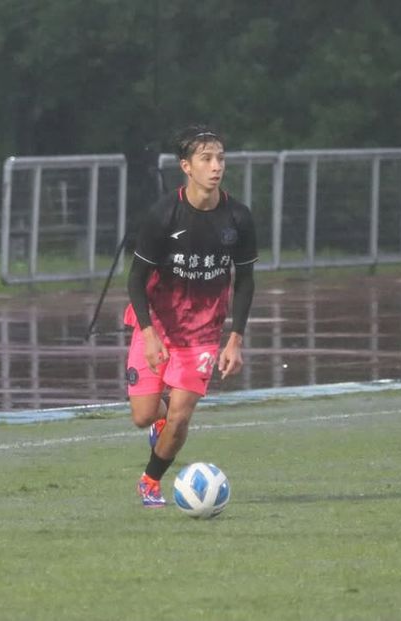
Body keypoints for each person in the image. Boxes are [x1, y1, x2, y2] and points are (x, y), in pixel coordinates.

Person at [124, 124, 258, 507]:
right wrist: (148, 334)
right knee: (144, 415)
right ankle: (158, 425)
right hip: (158, 323)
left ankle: (151, 480)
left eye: (220, 158)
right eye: (206, 159)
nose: (216, 166)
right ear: (187, 166)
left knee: (181, 415)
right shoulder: (164, 215)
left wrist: (235, 338)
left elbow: (245, 281)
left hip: (202, 331)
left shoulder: (238, 217)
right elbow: (135, 280)